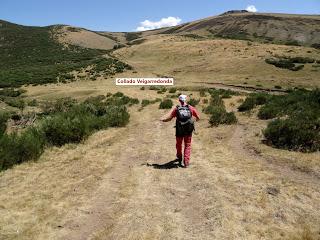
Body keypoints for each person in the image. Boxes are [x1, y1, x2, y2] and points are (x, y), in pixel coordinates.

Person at [160, 94, 200, 168]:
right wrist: (193, 121)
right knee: (187, 145)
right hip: (188, 130)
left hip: (179, 129)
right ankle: (186, 162)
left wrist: (163, 120)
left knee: (179, 144)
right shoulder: (191, 108)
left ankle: (179, 157)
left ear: (179, 100)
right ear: (186, 100)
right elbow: (198, 117)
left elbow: (169, 118)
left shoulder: (177, 109)